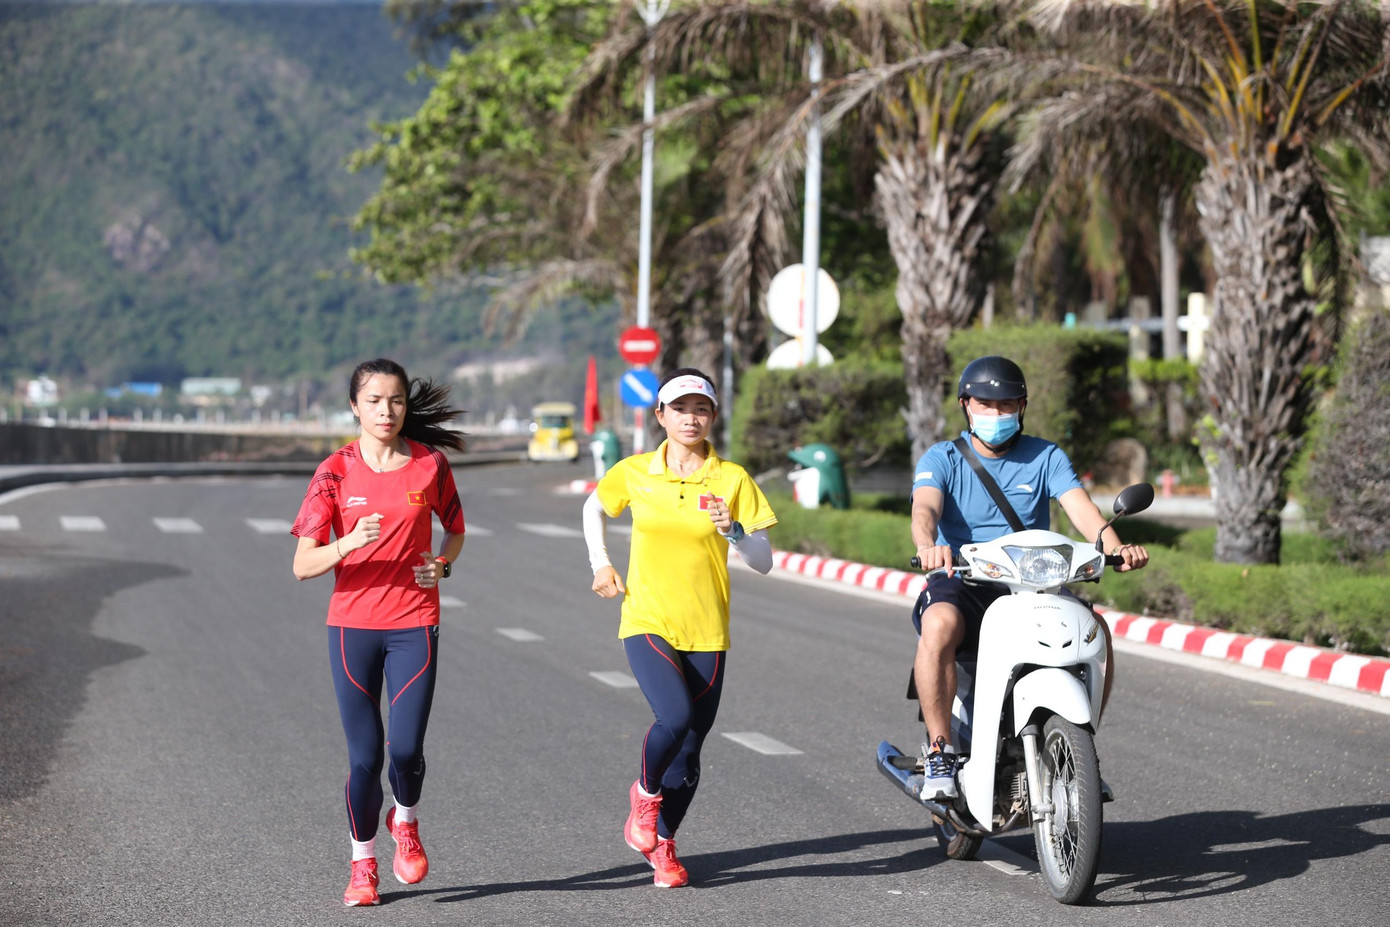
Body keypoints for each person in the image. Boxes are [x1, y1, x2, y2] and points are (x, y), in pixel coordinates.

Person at [910, 355, 1148, 800]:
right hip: (962, 577)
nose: (996, 414)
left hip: (1029, 581)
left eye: (1007, 405)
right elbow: (924, 508)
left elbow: (1082, 510)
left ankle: (1082, 747)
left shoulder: (1046, 456)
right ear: (965, 405)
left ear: (1022, 406)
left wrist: (1115, 547)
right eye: (986, 404)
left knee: (1096, 631)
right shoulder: (942, 457)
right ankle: (940, 751)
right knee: (939, 624)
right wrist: (929, 545)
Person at [582, 369, 777, 888]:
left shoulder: (731, 478)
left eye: (702, 409)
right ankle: (645, 796)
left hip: (708, 629)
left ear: (712, 416)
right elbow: (593, 507)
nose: (691, 418)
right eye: (680, 408)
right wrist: (601, 563)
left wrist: (733, 530)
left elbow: (764, 561)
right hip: (647, 618)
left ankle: (664, 844)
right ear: (660, 416)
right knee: (673, 715)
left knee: (690, 750)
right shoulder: (636, 471)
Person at [290, 358, 467, 907]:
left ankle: (405, 819)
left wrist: (442, 565)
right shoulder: (334, 471)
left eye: (395, 400)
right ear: (354, 407)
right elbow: (302, 564)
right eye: (374, 401)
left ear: (405, 405)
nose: (386, 411)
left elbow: (456, 531)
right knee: (365, 758)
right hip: (352, 626)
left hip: (416, 622)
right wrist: (347, 543)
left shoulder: (430, 465)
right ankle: (363, 864)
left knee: (407, 749)